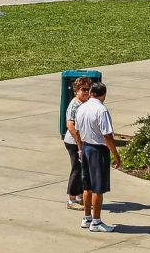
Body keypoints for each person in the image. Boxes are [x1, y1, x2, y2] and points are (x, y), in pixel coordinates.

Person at [76, 81, 122, 232]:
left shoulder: (81, 108)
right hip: (98, 150)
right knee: (98, 188)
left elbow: (76, 130)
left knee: (87, 186)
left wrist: (80, 148)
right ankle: (96, 221)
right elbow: (107, 135)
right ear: (104, 95)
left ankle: (86, 217)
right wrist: (116, 154)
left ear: (90, 93)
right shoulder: (101, 110)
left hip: (86, 147)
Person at [64, 76, 93, 210]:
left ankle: (80, 196)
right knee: (76, 168)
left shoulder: (84, 103)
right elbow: (70, 126)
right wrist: (79, 144)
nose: (87, 92)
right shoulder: (74, 105)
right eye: (84, 89)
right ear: (77, 90)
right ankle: (72, 199)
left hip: (82, 142)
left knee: (83, 169)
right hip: (73, 142)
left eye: (88, 89)